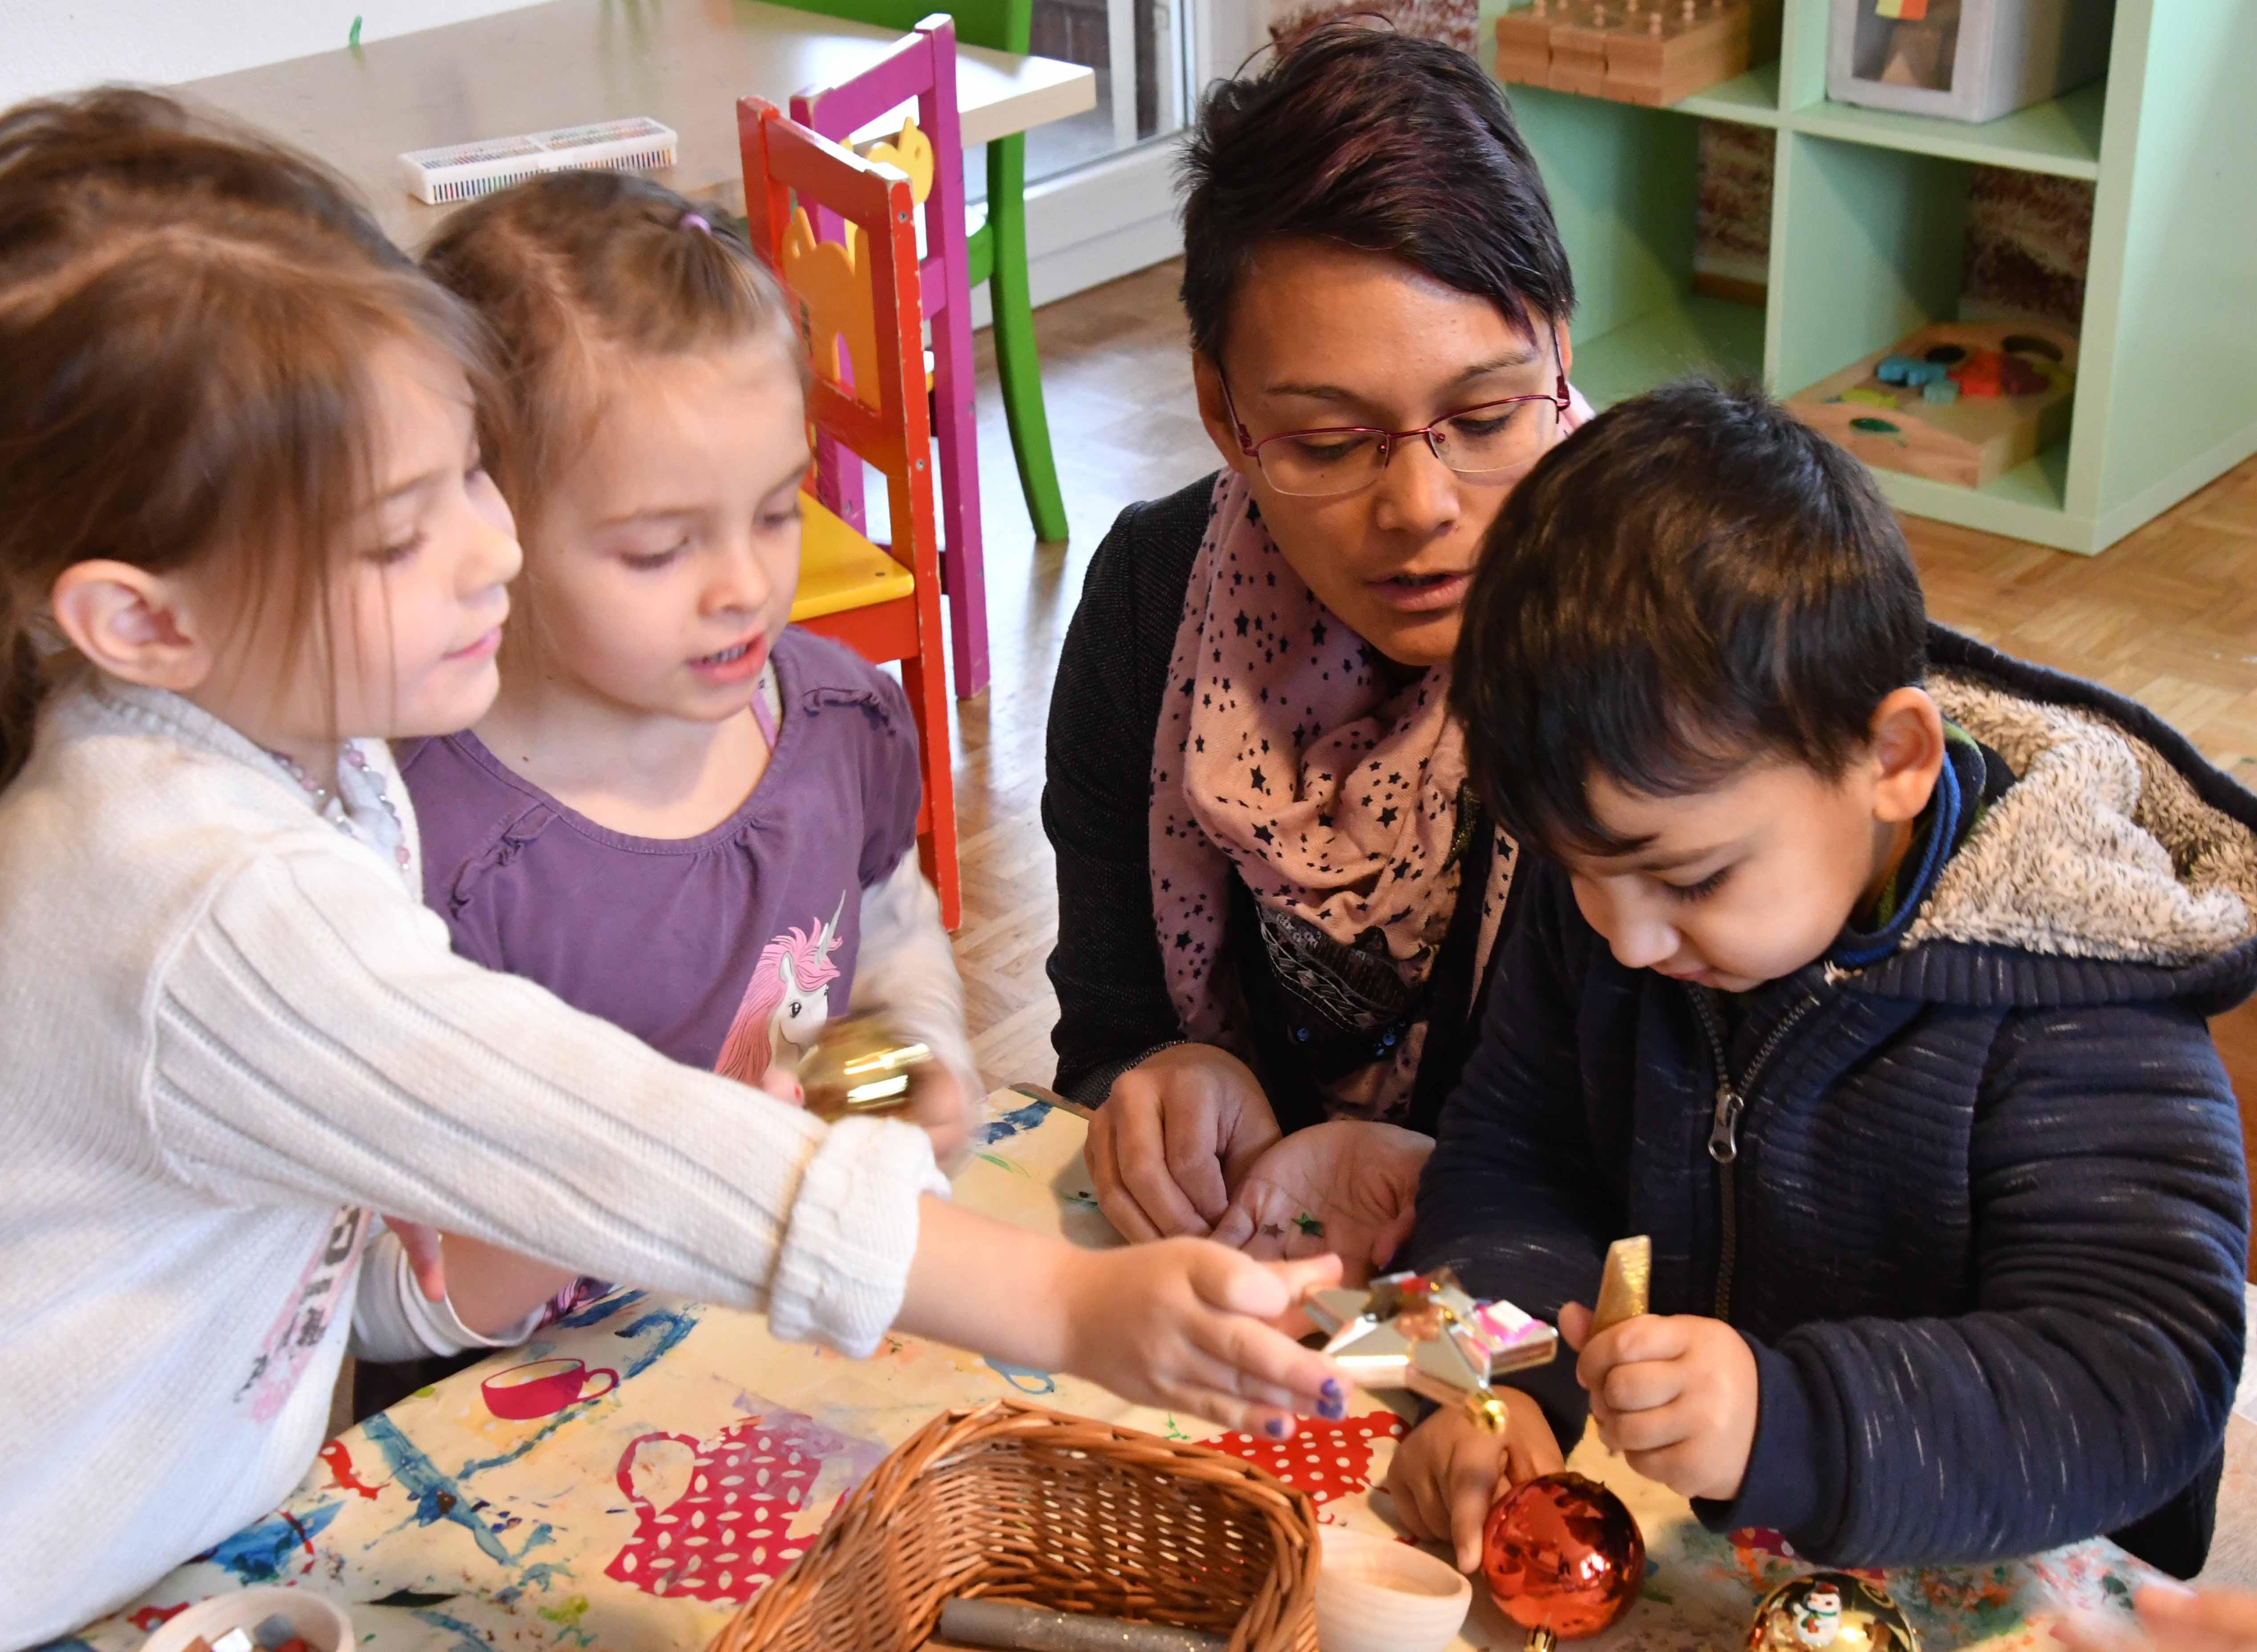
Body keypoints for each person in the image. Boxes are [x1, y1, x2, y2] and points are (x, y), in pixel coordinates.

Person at [0, 90, 1346, 1648]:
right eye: (394, 534)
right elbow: (596, 1137)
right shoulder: (199, 898)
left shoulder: (297, 748)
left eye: (473, 480)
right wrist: (1061, 1307)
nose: (492, 554)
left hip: (201, 1535)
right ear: (143, 620)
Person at [1382, 379, 2250, 1577]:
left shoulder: (2084, 990)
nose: (1626, 939)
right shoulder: (1625, 853)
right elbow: (1517, 1156)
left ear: (1893, 760)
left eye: (1692, 882)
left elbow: (2140, 1380)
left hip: (2011, 1565)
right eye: (1581, 875)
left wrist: (1788, 1424)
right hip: (1730, 1544)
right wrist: (1497, 1384)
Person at [348, 171, 982, 1385]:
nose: (742, 584)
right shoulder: (411, 845)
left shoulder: (836, 719)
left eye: (777, 510)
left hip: (778, 1342)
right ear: (483, 515)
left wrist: (919, 1048)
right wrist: (592, 1197)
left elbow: (886, 916)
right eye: (659, 547)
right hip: (517, 1433)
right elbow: (358, 1305)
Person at [1044, 20, 1586, 1280]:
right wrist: (1162, 1084)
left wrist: (1464, 1200)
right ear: (1219, 409)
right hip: (1259, 1297)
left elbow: (1742, 1167)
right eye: (1328, 444)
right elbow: (1107, 1029)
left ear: (1561, 346)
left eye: (1486, 416)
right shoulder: (1153, 604)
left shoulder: (1670, 643)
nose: (1418, 508)